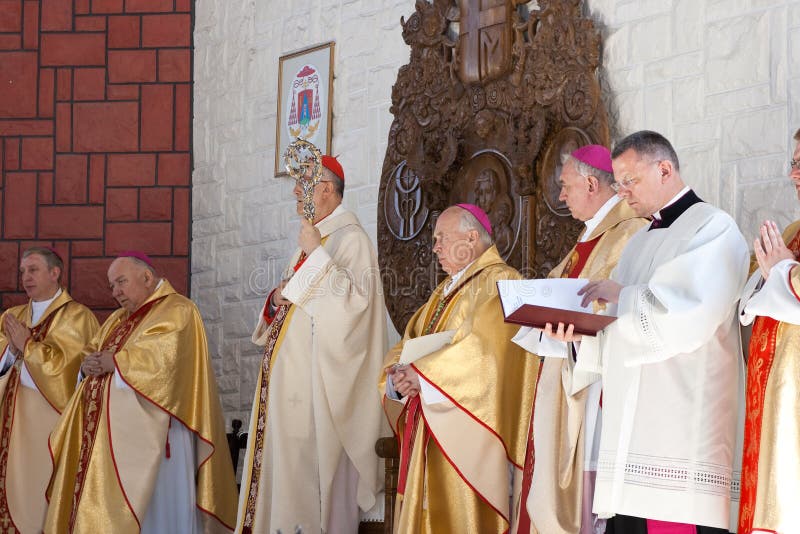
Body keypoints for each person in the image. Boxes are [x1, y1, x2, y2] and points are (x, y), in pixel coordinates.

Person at [554, 131, 748, 533]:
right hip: (629, 441)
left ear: (665, 169)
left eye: (631, 181)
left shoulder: (713, 228)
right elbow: (618, 331)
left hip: (678, 440)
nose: (622, 192)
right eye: (619, 182)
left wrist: (622, 298)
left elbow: (682, 318)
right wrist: (581, 338)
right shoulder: (639, 241)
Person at [236, 156, 388, 534]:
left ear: (325, 190)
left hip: (319, 399)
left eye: (302, 183)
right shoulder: (316, 241)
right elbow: (291, 303)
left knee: (310, 490)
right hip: (289, 395)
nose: (294, 191)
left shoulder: (350, 240)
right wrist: (274, 299)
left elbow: (355, 313)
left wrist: (317, 255)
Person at [45, 252, 237, 534]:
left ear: (147, 277)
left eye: (121, 282)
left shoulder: (179, 309)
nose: (116, 292)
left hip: (162, 436)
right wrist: (86, 366)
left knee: (159, 513)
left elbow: (166, 362)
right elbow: (94, 352)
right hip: (115, 440)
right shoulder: (116, 320)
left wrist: (117, 363)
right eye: (112, 286)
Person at [380, 204, 539, 534]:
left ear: (471, 237)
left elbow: (487, 352)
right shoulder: (444, 291)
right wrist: (398, 377)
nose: (435, 247)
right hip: (430, 428)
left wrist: (422, 376)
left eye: (441, 237)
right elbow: (408, 341)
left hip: (469, 436)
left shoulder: (502, 281)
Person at [513, 146, 646, 534]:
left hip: (595, 385)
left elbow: (615, 309)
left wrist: (567, 334)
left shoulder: (629, 233)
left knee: (588, 495)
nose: (560, 196)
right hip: (568, 371)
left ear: (591, 183)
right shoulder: (588, 238)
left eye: (565, 186)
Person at [0, 247, 99, 533]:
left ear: (55, 273)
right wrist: (11, 350)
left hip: (49, 426)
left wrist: (28, 348)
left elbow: (71, 373)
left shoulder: (78, 317)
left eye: (33, 270)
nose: (25, 278)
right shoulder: (13, 316)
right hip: (9, 419)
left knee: (38, 491)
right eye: (22, 272)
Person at [736, 128, 800, 534]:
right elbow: (749, 300)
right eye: (793, 164)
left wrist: (784, 273)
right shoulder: (792, 232)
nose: (794, 175)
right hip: (773, 400)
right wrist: (768, 276)